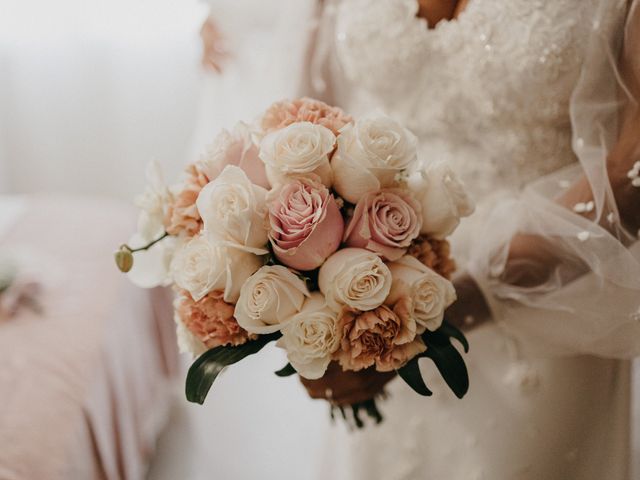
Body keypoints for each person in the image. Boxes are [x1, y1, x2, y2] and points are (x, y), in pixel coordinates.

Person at [300, 0, 640, 478]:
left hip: (551, 298)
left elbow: (633, 173)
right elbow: (315, 105)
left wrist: (441, 306)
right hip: (370, 300)